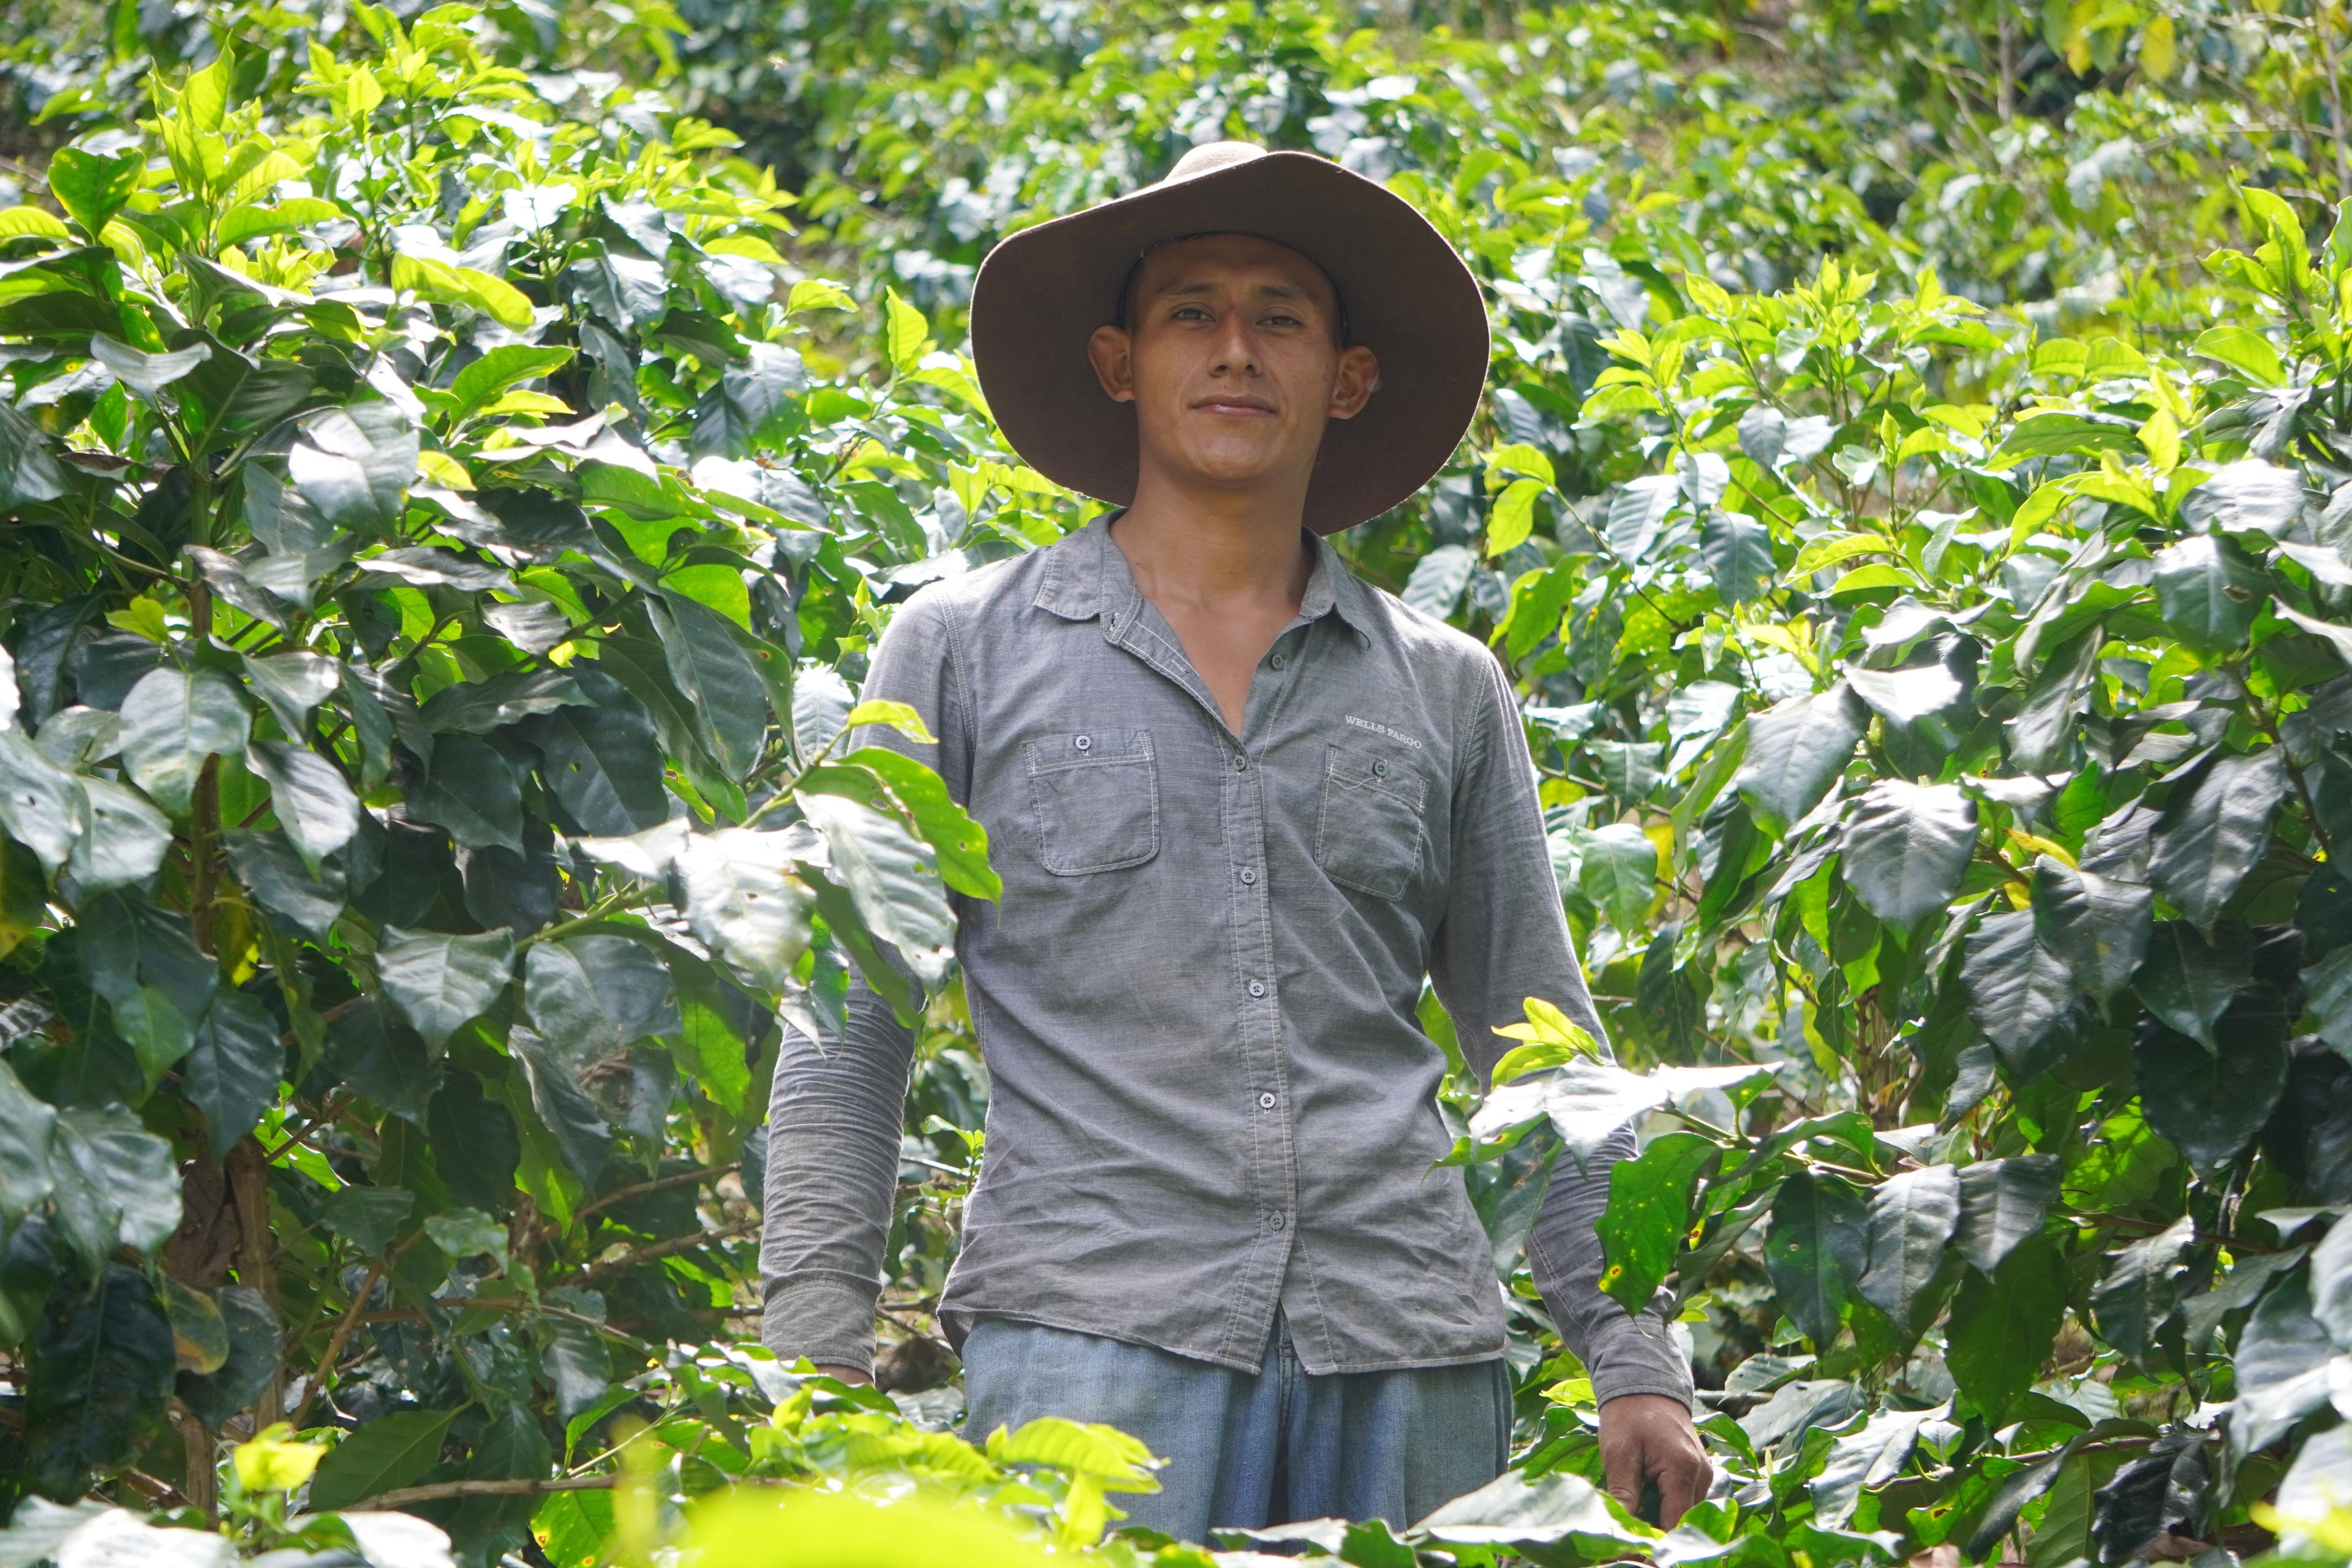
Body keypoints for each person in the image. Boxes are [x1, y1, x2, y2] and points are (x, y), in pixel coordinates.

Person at [761, 141, 1708, 1540]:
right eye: (1190, 312)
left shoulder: (1444, 683)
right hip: (1091, 1341)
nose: (1235, 351)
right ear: (1117, 361)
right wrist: (815, 1338)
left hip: (1404, 1348)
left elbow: (1540, 1034)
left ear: (1349, 377)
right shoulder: (960, 650)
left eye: (1281, 317)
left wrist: (1636, 1356)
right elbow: (852, 1016)